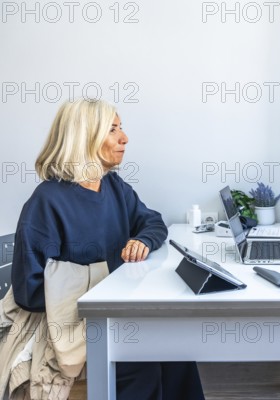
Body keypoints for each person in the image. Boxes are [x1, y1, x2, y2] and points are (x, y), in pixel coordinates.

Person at [10, 98, 205, 400]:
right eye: (112, 130)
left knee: (176, 348)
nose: (124, 138)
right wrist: (98, 283)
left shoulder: (112, 186)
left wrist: (142, 240)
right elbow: (29, 292)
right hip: (72, 323)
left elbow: (153, 222)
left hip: (115, 312)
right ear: (84, 137)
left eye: (121, 128)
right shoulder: (46, 202)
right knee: (142, 362)